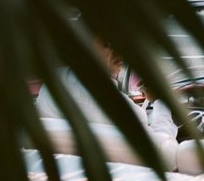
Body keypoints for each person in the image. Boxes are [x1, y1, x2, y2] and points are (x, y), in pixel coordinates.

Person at [35, 36, 177, 143]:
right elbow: (163, 149)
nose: (119, 52)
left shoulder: (54, 81)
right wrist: (160, 102)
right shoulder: (113, 103)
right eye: (108, 44)